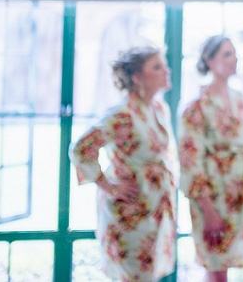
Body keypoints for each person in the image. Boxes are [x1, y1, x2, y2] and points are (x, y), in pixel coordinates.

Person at [69, 46, 178, 282]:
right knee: (133, 276)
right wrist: (108, 185)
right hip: (130, 209)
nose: (167, 71)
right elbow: (81, 148)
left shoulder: (159, 108)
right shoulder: (121, 114)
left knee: (150, 273)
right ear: (137, 78)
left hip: (155, 205)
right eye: (157, 67)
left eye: (164, 65)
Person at [178, 35, 243, 281]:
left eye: (234, 53)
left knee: (230, 261)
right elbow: (190, 160)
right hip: (211, 191)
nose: (234, 59)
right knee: (215, 263)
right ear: (208, 61)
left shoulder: (241, 101)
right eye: (226, 54)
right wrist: (208, 209)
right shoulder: (195, 106)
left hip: (239, 189)